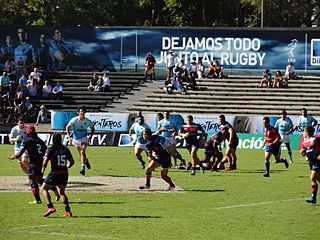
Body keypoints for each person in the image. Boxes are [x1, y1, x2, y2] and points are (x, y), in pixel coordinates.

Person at [9, 125, 58, 204]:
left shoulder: (26, 141)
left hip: (33, 163)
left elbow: (19, 154)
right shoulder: (40, 141)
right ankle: (54, 189)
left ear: (28, 132)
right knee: (38, 179)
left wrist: (13, 157)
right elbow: (46, 151)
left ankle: (37, 200)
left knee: (31, 179)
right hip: (41, 163)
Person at [41, 133, 74, 217]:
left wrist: (43, 170)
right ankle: (68, 211)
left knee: (44, 189)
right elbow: (72, 162)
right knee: (61, 192)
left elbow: (45, 161)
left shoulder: (51, 149)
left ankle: (50, 207)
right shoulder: (66, 149)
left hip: (55, 173)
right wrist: (66, 167)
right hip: (64, 173)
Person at [66, 106, 95, 176]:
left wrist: (90, 136)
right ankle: (86, 160)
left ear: (85, 112)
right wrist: (69, 137)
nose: (82, 113)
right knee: (81, 153)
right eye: (81, 111)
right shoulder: (75, 120)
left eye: (83, 111)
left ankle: (83, 168)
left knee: (82, 151)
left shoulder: (87, 121)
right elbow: (67, 127)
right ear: (78, 112)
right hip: (76, 139)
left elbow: (93, 128)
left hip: (84, 138)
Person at [300, 126, 320, 204]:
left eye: (304, 132)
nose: (303, 134)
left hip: (317, 162)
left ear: (307, 132)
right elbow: (305, 152)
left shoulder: (316, 139)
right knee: (318, 179)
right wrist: (303, 153)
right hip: (312, 162)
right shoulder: (304, 142)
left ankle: (313, 198)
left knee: (312, 178)